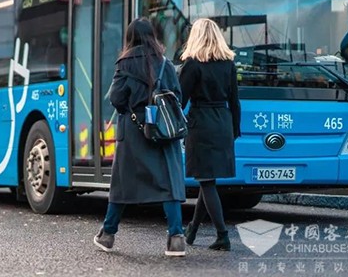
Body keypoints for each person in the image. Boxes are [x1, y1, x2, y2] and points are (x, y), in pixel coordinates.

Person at [93, 17, 187, 257]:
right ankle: (176, 237)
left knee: (121, 185)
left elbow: (116, 98)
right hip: (164, 132)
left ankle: (108, 235)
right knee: (169, 184)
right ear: (152, 37)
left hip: (133, 132)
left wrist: (133, 110)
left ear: (130, 37)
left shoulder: (124, 63)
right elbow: (177, 95)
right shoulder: (166, 64)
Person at [178, 18, 241, 251]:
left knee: (205, 180)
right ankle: (192, 230)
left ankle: (223, 235)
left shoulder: (193, 64)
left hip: (201, 124)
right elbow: (235, 102)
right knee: (209, 180)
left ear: (196, 36)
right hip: (223, 122)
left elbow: (179, 100)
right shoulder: (229, 64)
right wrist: (234, 130)